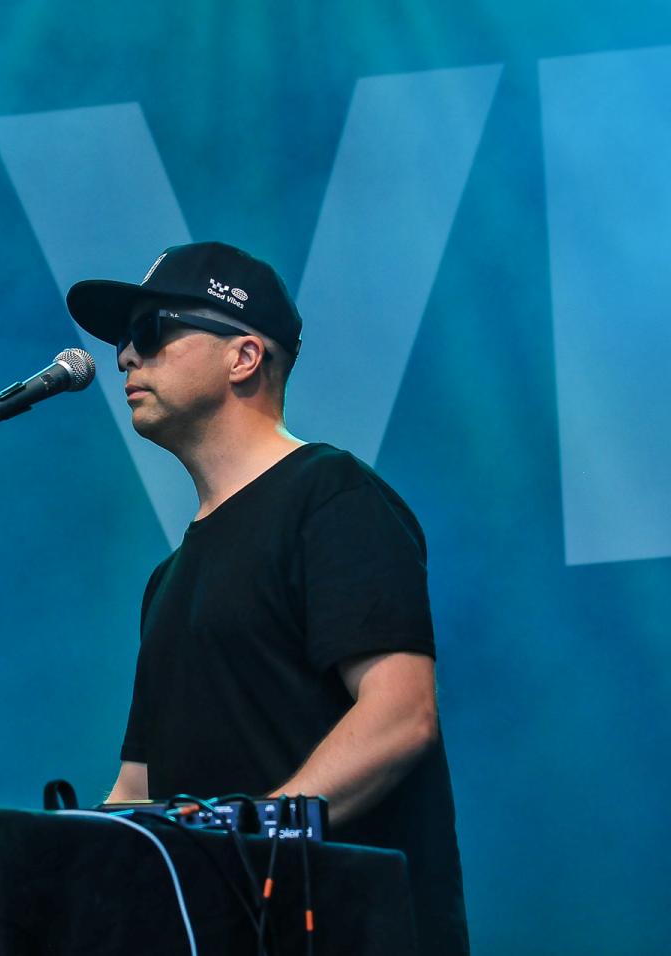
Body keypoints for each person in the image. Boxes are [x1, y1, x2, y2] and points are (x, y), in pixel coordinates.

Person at [66, 241, 468, 954]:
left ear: (244, 357)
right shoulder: (166, 580)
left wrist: (247, 837)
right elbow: (138, 790)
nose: (125, 356)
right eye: (125, 341)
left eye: (151, 331)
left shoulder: (332, 494)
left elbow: (401, 716)